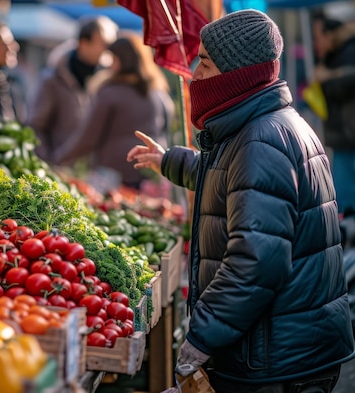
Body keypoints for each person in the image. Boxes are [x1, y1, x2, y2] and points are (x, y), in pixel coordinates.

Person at [127, 9, 355, 392]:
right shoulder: (267, 126)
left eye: (206, 62)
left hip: (278, 361)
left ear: (238, 73)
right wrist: (171, 160)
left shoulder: (260, 140)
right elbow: (234, 182)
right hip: (288, 349)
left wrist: (201, 338)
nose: (195, 74)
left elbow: (255, 262)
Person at [52, 31, 174, 189]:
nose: (109, 65)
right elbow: (166, 130)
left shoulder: (110, 92)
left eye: (113, 59)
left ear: (121, 61)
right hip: (150, 175)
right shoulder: (158, 93)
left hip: (112, 178)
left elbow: (87, 138)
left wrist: (57, 159)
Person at [27, 16, 118, 164]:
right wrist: (47, 162)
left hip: (93, 175)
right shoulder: (53, 80)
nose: (107, 50)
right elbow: (36, 126)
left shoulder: (106, 79)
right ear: (84, 43)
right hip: (58, 169)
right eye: (103, 44)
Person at [311, 11, 355, 215]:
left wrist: (326, 79)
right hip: (343, 136)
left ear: (331, 34)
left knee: (345, 197)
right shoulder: (335, 55)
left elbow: (347, 82)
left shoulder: (348, 51)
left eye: (318, 37)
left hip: (348, 136)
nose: (316, 43)